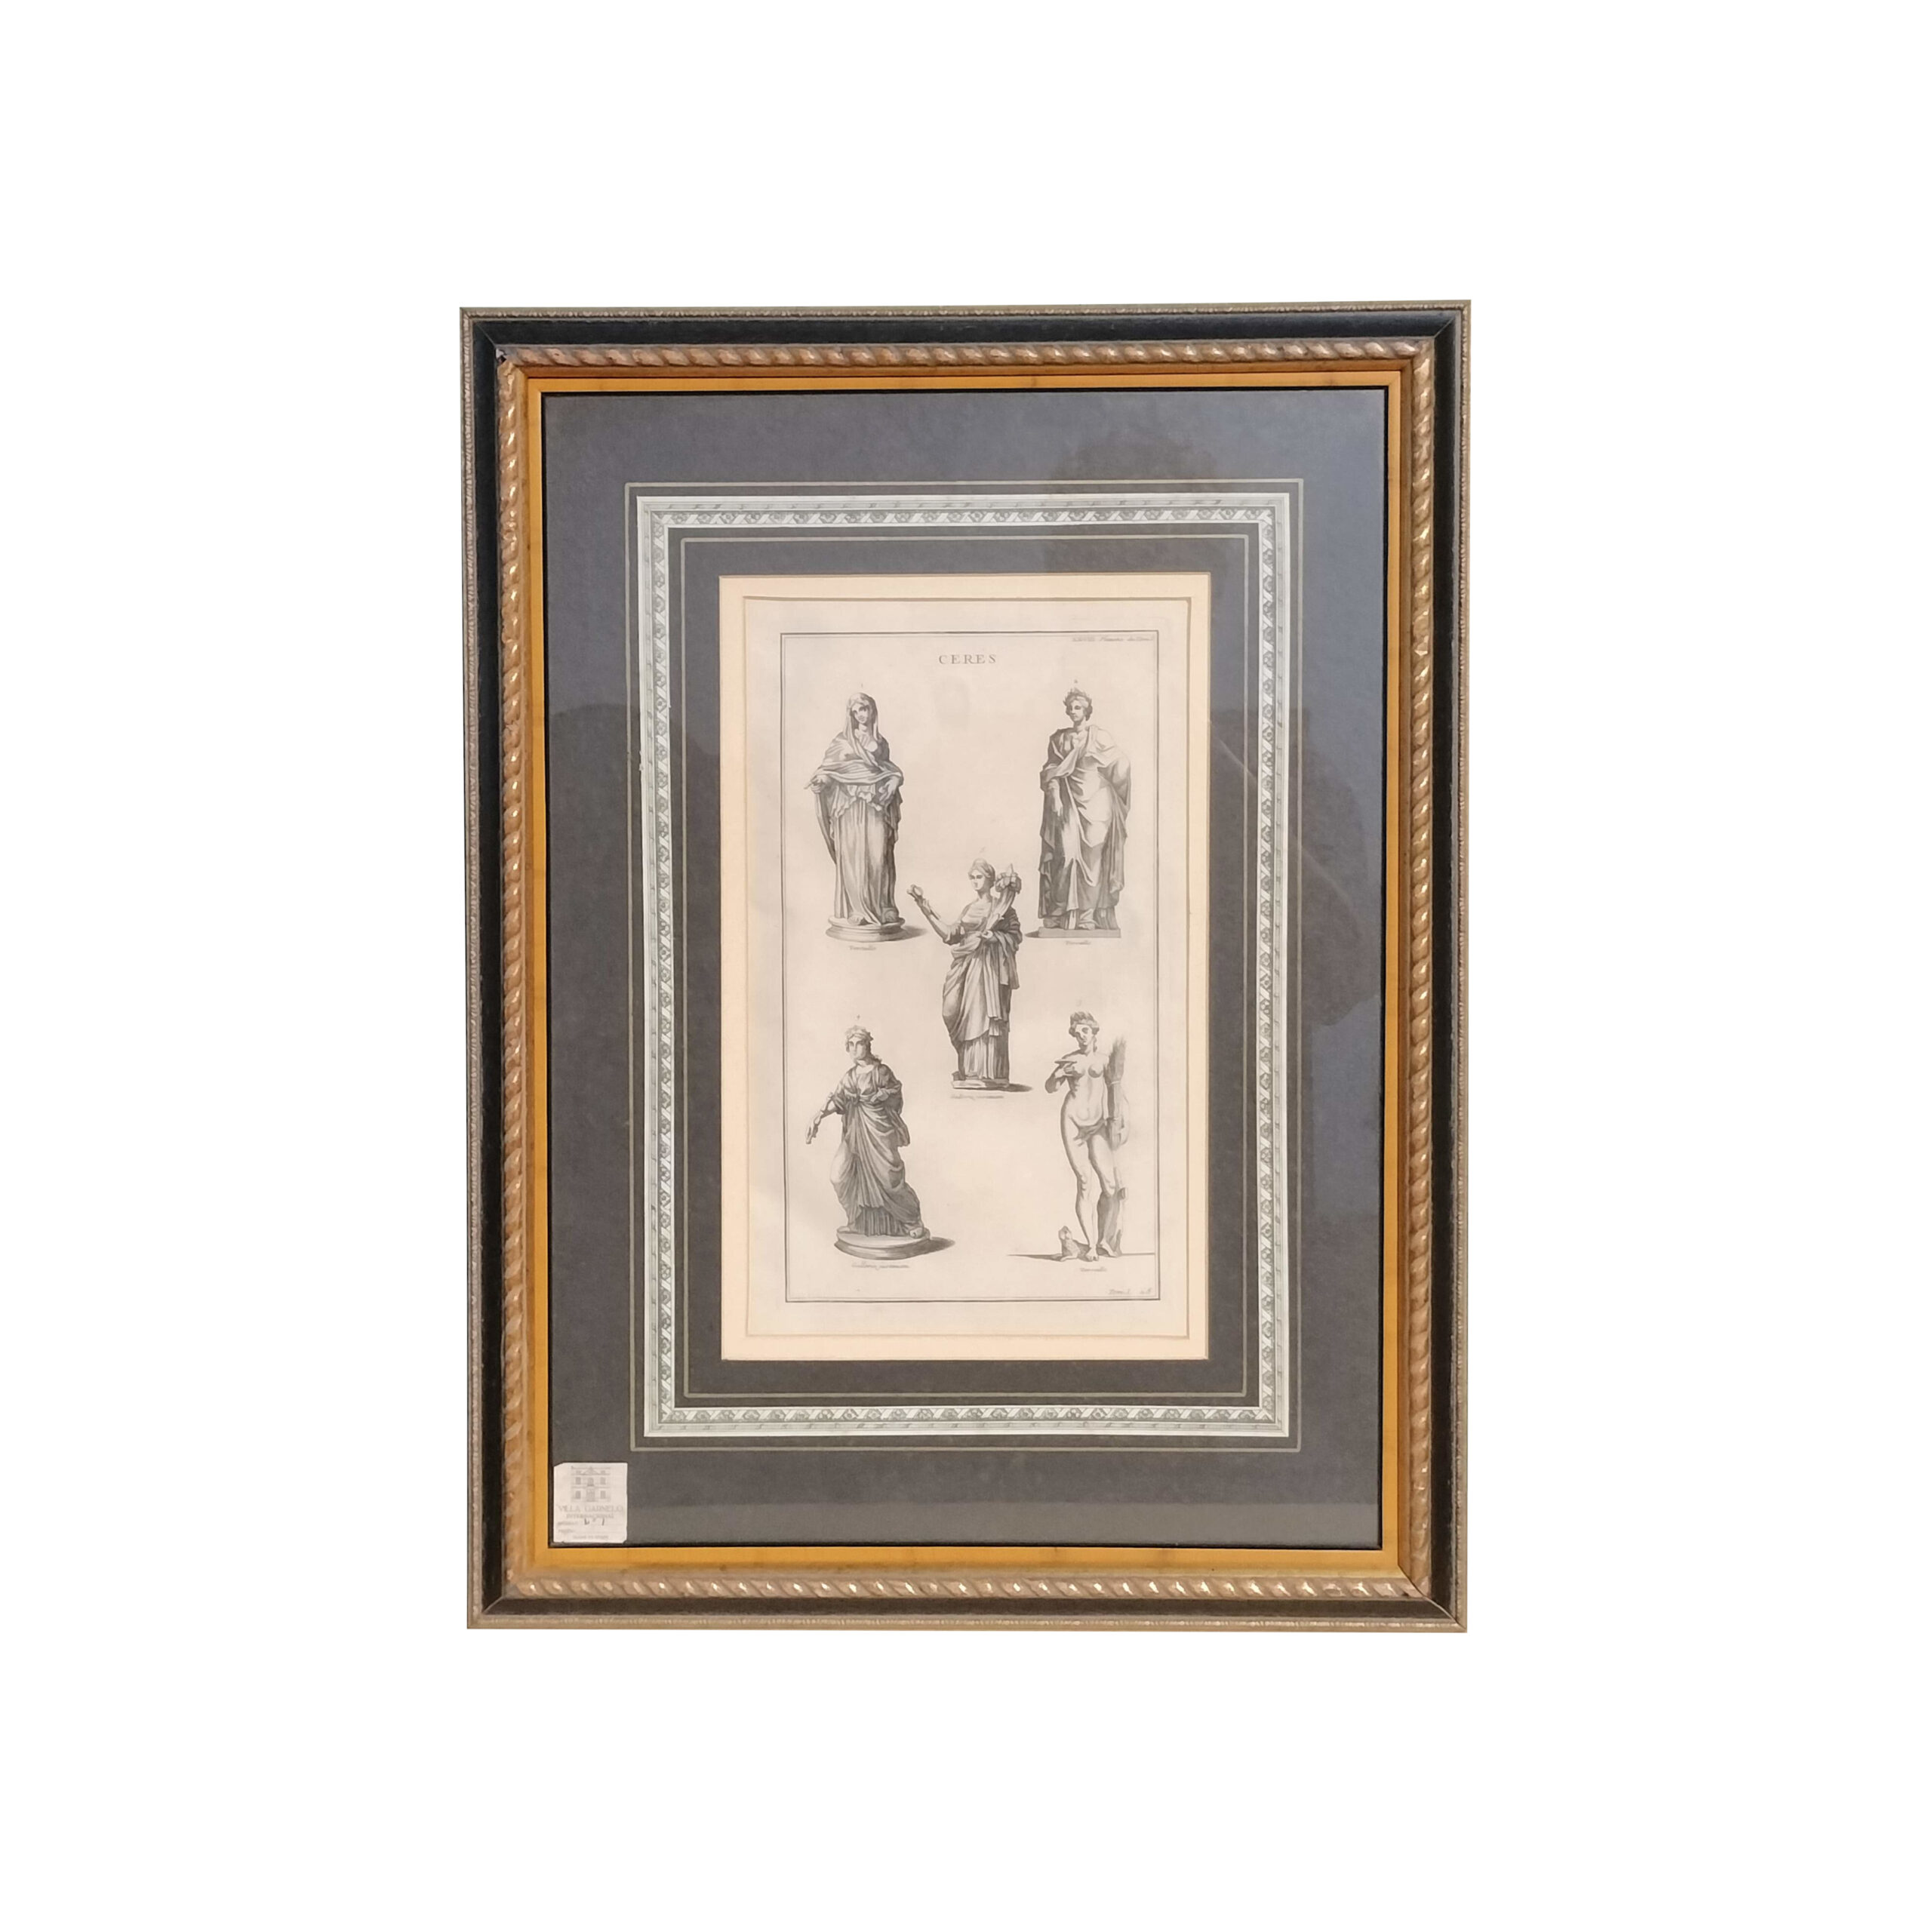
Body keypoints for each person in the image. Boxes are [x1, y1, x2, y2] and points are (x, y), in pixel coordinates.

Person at [806, 1027, 928, 1246]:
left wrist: (884, 1095)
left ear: (868, 1045)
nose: (854, 1049)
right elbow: (838, 1101)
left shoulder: (881, 1072)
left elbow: (896, 1095)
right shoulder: (850, 1076)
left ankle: (912, 1221)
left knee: (890, 1181)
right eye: (850, 1045)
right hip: (854, 1135)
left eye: (859, 1044)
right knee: (839, 1176)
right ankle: (856, 1219)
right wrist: (819, 1116)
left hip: (879, 1133)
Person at [909, 863, 1023, 1087]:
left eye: (979, 877)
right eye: (972, 877)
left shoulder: (1003, 908)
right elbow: (950, 935)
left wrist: (994, 937)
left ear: (991, 880)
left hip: (989, 969)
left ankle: (983, 1073)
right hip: (966, 966)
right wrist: (925, 909)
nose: (975, 881)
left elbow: (1016, 937)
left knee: (983, 1017)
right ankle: (969, 1069)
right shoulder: (969, 908)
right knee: (950, 1010)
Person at [807, 692, 906, 937]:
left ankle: (882, 907)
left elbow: (887, 769)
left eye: (865, 709)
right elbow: (829, 770)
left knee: (878, 856)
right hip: (848, 804)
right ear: (851, 715)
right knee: (851, 856)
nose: (861, 715)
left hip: (875, 803)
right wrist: (822, 780)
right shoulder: (841, 742)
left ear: (873, 711)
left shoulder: (881, 742)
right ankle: (857, 909)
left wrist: (896, 779)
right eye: (857, 711)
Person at [1038, 686, 1130, 932]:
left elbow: (1120, 764)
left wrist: (1119, 782)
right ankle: (1061, 912)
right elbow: (1050, 771)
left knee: (1094, 860)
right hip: (1068, 800)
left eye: (1078, 707)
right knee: (1065, 856)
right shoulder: (1058, 739)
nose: (1073, 711)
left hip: (1098, 802)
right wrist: (1055, 796)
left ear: (1087, 710)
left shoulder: (1101, 737)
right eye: (1070, 707)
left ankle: (1088, 915)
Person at [1044, 1011, 1127, 1257]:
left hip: (1098, 1124)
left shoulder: (1105, 1060)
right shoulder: (1069, 1060)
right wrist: (1058, 1075)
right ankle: (1091, 1245)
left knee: (1110, 1185)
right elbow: (1050, 1088)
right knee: (1084, 1182)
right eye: (1077, 1032)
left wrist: (1123, 1120)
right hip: (1072, 1122)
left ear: (1094, 1033)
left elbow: (1117, 1092)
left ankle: (1104, 1240)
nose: (1081, 1036)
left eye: (1085, 1031)